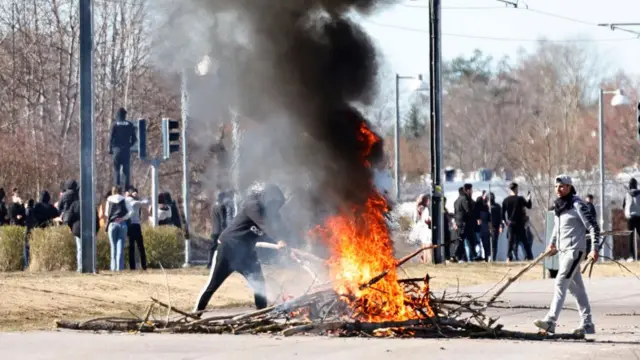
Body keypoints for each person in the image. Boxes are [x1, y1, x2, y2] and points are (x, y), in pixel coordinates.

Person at [194, 184, 289, 314]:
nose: (275, 207)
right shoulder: (253, 206)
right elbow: (265, 225)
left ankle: (261, 315)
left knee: (259, 283)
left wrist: (287, 246)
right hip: (228, 248)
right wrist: (279, 240)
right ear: (267, 199)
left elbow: (280, 230)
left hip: (246, 253)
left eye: (278, 204)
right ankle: (196, 313)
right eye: (274, 203)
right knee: (213, 285)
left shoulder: (273, 216)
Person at [534, 175, 600, 335]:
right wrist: (551, 244)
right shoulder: (559, 206)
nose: (558, 189)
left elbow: (593, 227)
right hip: (563, 252)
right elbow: (557, 229)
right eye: (556, 187)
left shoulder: (578, 204)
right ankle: (587, 324)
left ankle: (550, 321)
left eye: (562, 186)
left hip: (574, 250)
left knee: (560, 282)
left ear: (570, 187)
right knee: (577, 289)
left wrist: (595, 248)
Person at [104, 186, 134, 271]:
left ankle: (113, 268)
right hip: (122, 224)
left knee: (113, 247)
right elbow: (132, 212)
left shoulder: (109, 200)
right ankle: (119, 268)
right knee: (120, 248)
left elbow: (107, 213)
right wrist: (123, 218)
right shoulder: (125, 199)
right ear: (121, 191)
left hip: (112, 224)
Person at [502, 182, 533, 262]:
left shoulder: (506, 200)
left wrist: (505, 221)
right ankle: (529, 257)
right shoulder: (520, 199)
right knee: (525, 241)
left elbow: (502, 213)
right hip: (519, 223)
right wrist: (529, 197)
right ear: (516, 189)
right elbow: (529, 206)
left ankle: (509, 257)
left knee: (510, 241)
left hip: (511, 223)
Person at [109, 107, 137, 190]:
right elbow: (134, 139)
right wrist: (129, 145)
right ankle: (126, 189)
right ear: (125, 115)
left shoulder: (114, 124)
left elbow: (111, 138)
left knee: (116, 170)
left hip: (116, 150)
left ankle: (117, 188)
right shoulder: (130, 124)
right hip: (126, 150)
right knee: (126, 171)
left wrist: (111, 149)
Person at [208, 190, 235, 269]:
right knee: (223, 248)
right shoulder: (222, 206)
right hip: (220, 231)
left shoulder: (213, 206)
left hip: (214, 231)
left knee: (212, 248)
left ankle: (209, 264)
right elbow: (223, 220)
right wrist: (225, 230)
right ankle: (223, 264)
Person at [126, 187, 149, 270]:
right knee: (140, 246)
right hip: (135, 225)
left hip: (128, 225)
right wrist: (138, 197)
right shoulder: (134, 202)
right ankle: (144, 265)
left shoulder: (124, 200)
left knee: (131, 246)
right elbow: (146, 203)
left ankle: (132, 266)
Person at [453, 184, 476, 262]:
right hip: (465, 223)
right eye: (471, 190)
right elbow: (468, 211)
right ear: (467, 190)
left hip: (458, 223)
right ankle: (455, 255)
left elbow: (455, 213)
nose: (472, 191)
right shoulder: (465, 199)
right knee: (462, 240)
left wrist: (455, 222)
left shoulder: (456, 200)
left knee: (462, 240)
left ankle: (464, 257)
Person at [622, 178, 640, 260]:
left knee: (631, 237)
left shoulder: (627, 194)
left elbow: (623, 206)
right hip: (639, 217)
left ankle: (631, 255)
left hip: (630, 218)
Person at [488, 192, 503, 261]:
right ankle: (488, 257)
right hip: (487, 227)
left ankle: (493, 258)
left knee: (494, 243)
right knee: (487, 243)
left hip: (495, 227)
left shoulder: (497, 206)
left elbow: (501, 217)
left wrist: (500, 226)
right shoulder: (486, 206)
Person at [23, 199, 36, 270]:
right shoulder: (33, 210)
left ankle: (26, 265)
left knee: (26, 247)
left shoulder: (27, 210)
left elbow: (26, 220)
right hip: (32, 229)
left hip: (27, 230)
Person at [583, 194, 597, 258]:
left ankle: (586, 256)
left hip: (585, 227)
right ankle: (587, 256)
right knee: (588, 242)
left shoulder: (584, 206)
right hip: (589, 227)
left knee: (587, 242)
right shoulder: (590, 206)